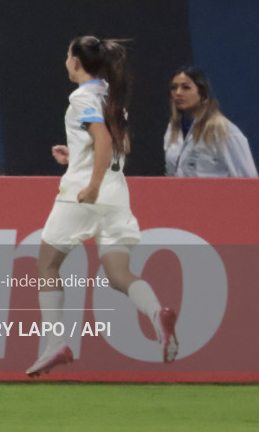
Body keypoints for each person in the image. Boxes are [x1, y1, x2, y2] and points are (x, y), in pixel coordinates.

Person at [26, 36, 178, 377]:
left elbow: (104, 139)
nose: (65, 60)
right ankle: (157, 313)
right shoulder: (110, 93)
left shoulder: (82, 96)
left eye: (67, 55)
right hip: (116, 196)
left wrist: (91, 183)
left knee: (47, 265)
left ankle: (56, 344)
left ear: (76, 61)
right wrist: (76, 155)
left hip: (85, 196)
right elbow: (111, 142)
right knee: (117, 274)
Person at [164, 66, 257, 177]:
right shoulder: (173, 129)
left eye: (186, 87)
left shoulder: (223, 129)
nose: (178, 93)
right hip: (181, 193)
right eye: (174, 88)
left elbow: (247, 178)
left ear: (202, 93)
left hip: (216, 194)